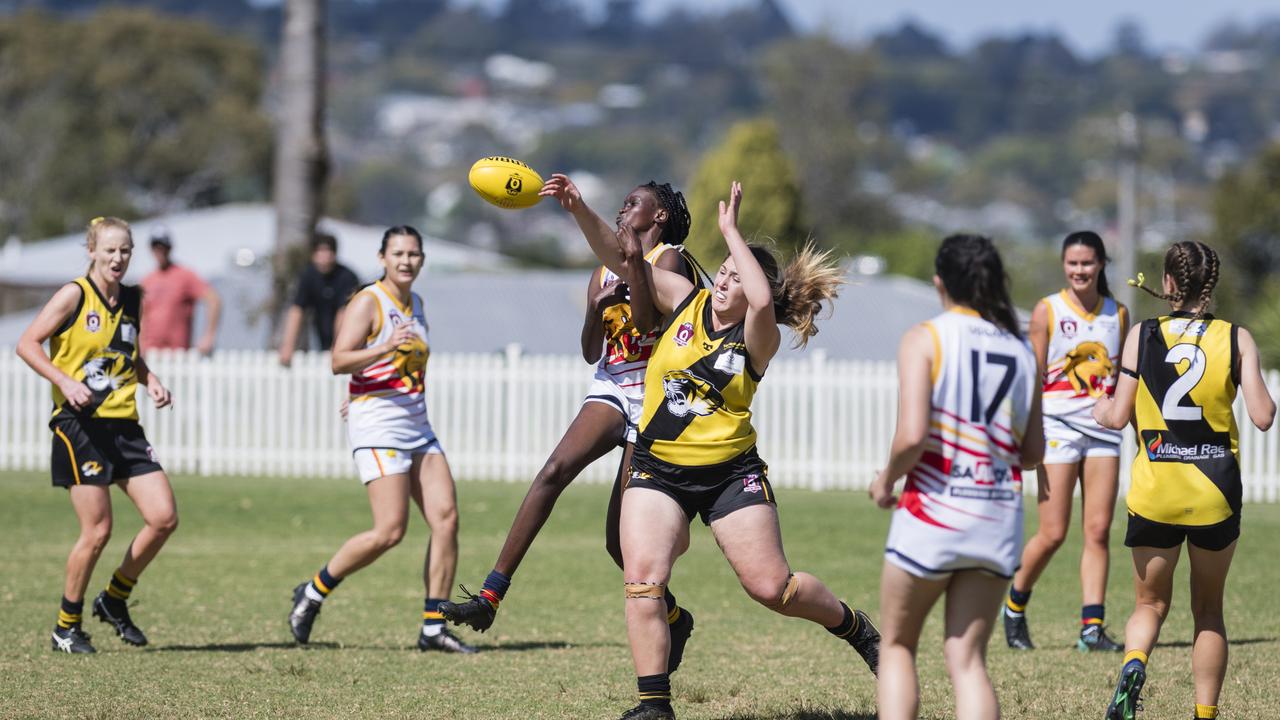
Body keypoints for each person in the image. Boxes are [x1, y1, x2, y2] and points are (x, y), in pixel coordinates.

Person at [547, 177, 877, 720]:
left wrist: (730, 232)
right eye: (720, 273)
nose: (722, 282)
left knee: (774, 589)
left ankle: (856, 627)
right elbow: (621, 255)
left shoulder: (757, 337)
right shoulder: (684, 301)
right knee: (643, 580)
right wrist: (578, 208)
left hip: (729, 475)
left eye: (733, 276)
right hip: (659, 468)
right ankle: (654, 704)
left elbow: (764, 296)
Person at [440, 179, 700, 673]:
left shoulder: (671, 260)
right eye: (623, 201)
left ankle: (675, 618)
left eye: (634, 202)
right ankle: (490, 596)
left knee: (618, 543)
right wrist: (597, 310)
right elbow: (589, 351)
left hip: (654, 396)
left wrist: (625, 278)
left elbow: (647, 326)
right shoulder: (603, 269)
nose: (624, 207)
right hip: (614, 383)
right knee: (554, 469)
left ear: (659, 216)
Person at [1094, 241, 1274, 720]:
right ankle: (1204, 713)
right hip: (1214, 492)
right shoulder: (1236, 337)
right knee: (1208, 611)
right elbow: (1262, 416)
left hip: (1156, 489)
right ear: (1210, 285)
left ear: (1168, 284)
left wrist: (1099, 407)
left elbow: (1115, 417)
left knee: (1149, 604)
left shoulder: (1142, 334)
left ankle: (1134, 665)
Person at [870, 234, 1043, 720]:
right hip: (996, 517)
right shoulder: (1022, 349)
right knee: (968, 661)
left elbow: (911, 437)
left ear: (939, 282)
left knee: (899, 646)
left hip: (934, 514)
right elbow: (1032, 453)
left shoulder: (925, 336)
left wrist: (886, 482)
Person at [287, 226, 472, 654]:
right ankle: (313, 591)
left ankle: (433, 628)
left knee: (446, 519)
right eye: (398, 254)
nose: (406, 261)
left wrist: (375, 379)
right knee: (390, 530)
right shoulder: (368, 301)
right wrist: (384, 347)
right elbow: (339, 359)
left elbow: (404, 369)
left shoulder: (418, 304)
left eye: (413, 254)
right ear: (382, 258)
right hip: (378, 427)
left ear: (422, 260)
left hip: (417, 425)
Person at [16, 217, 179, 654]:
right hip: (79, 425)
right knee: (98, 530)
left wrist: (151, 379)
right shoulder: (74, 295)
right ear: (91, 250)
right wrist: (64, 382)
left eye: (125, 250)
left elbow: (127, 354)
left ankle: (114, 599)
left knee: (163, 517)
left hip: (123, 424)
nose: (117, 258)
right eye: (109, 250)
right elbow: (27, 343)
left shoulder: (131, 298)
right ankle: (65, 626)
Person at [1003, 231, 1129, 652]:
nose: (1080, 270)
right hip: (1056, 429)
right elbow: (1033, 376)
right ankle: (1015, 604)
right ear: (1064, 265)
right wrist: (1026, 431)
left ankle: (1092, 629)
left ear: (1101, 264)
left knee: (1097, 530)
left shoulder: (1119, 313)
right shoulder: (1048, 310)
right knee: (1053, 532)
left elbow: (1122, 380)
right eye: (1073, 263)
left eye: (1088, 263)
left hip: (1103, 434)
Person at [278, 232, 360, 366]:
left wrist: (339, 346)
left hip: (349, 337)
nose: (324, 256)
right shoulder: (308, 276)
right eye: (320, 251)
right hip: (321, 332)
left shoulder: (347, 277)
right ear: (313, 254)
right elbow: (297, 310)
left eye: (328, 251)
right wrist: (288, 346)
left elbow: (344, 313)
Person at [139, 227, 221, 355]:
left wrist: (209, 336)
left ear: (170, 248)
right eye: (156, 247)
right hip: (150, 354)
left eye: (163, 247)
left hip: (178, 355)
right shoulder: (147, 280)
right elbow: (141, 316)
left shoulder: (185, 275)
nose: (160, 251)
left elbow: (213, 300)